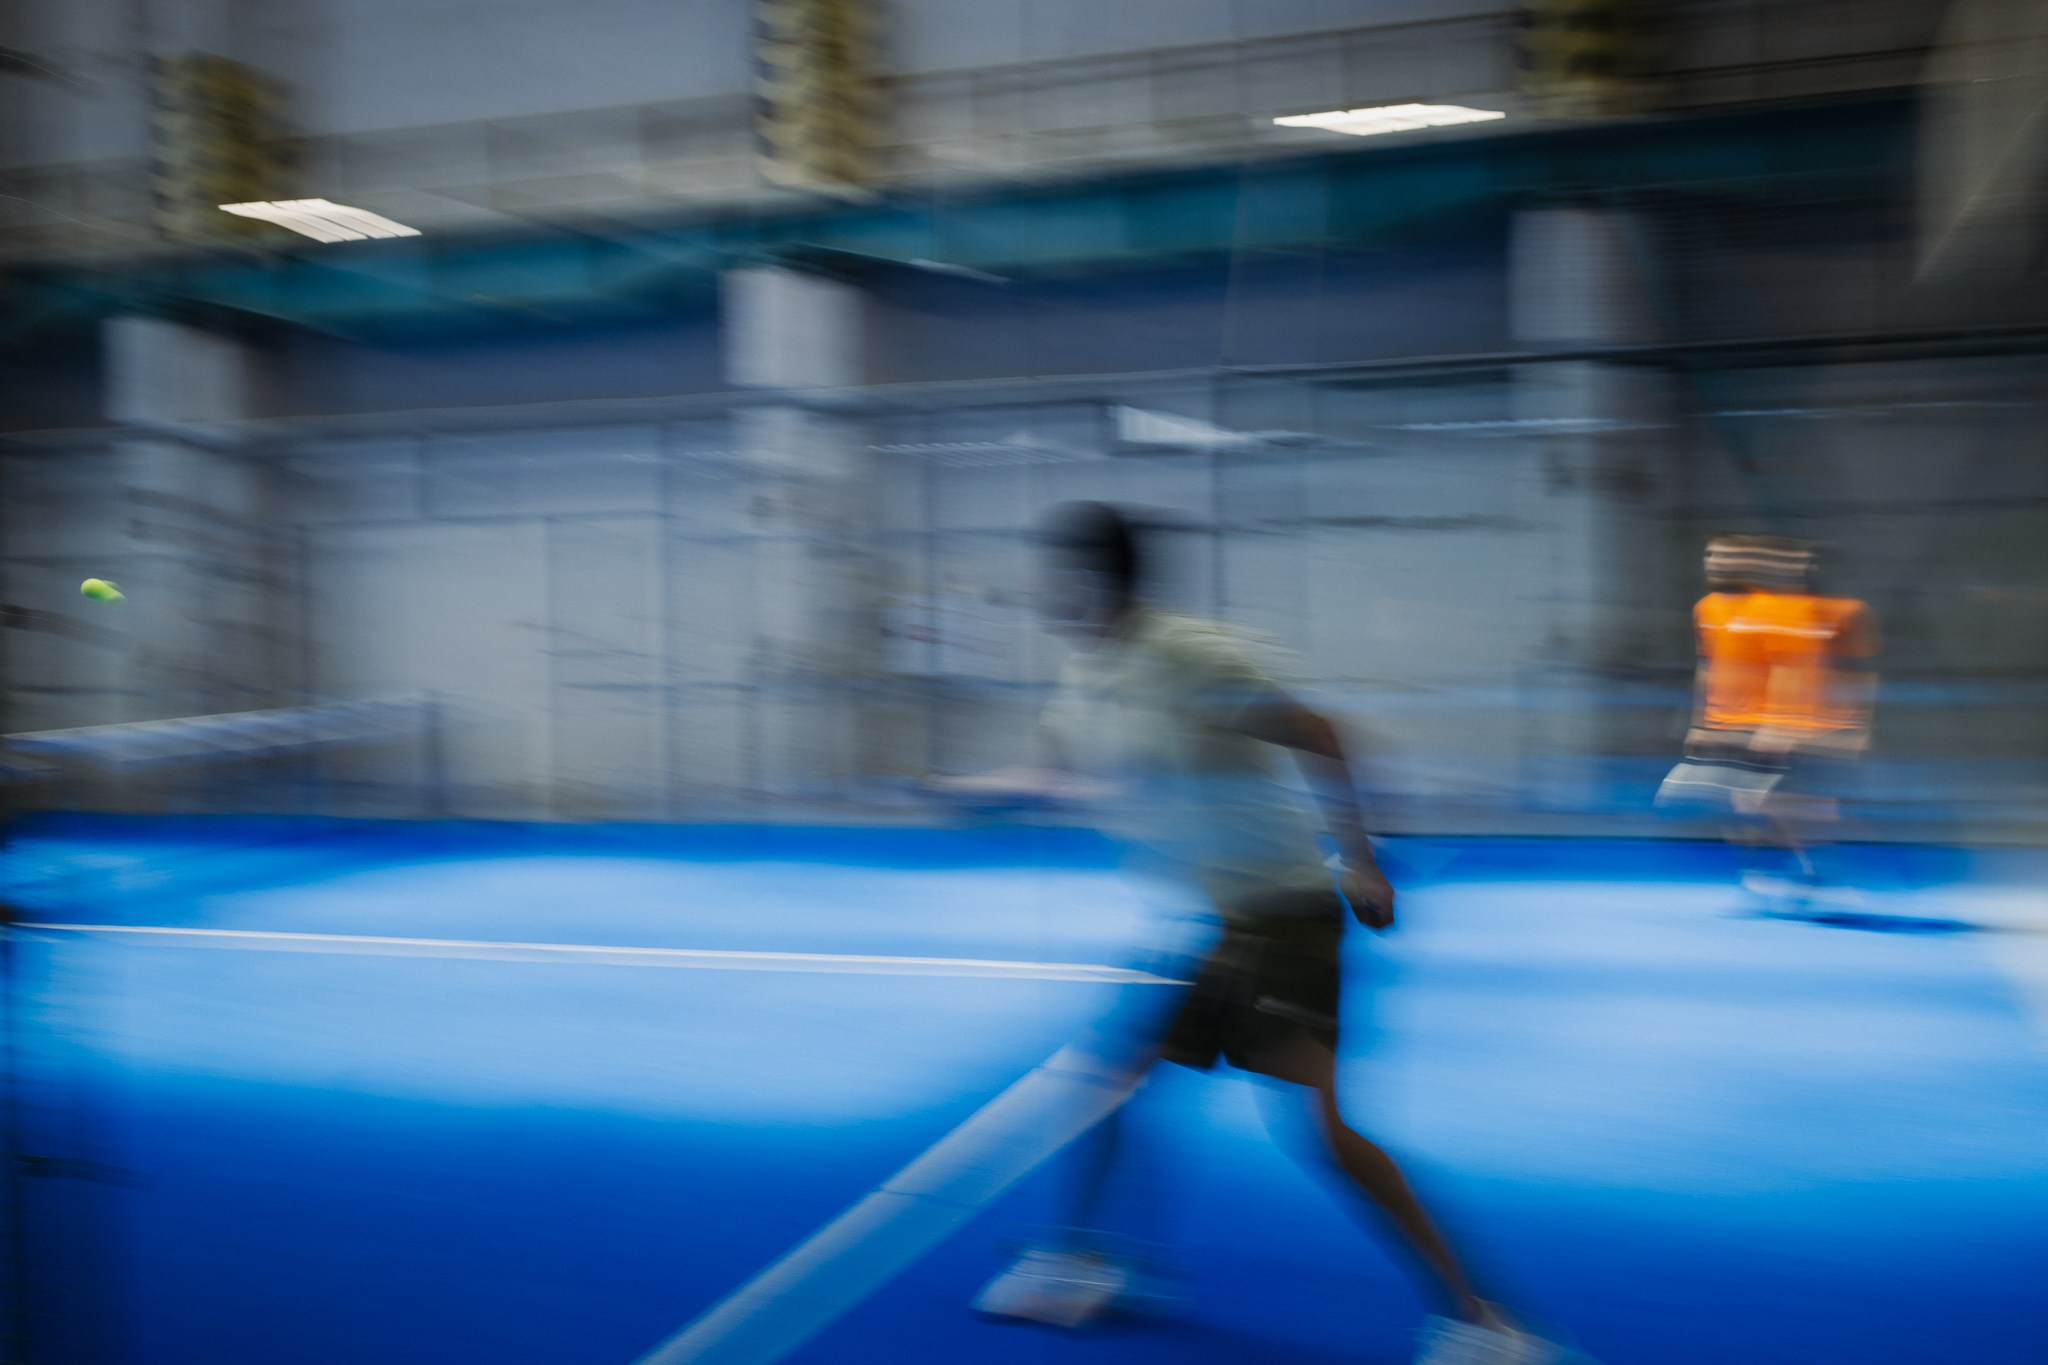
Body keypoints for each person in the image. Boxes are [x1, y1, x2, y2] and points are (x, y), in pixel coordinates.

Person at [930, 502, 1555, 1365]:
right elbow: (1063, 774)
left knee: (1324, 1130)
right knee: (1110, 1080)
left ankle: (1485, 1324)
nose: (1041, 590)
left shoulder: (1188, 656)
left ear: (1094, 579)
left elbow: (1322, 734)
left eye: (1056, 572)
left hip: (1283, 914)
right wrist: (971, 788)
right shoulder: (1092, 676)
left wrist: (1362, 860)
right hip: (1206, 925)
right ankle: (1077, 1261)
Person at [1659, 534, 1877, 905]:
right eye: (1710, 555)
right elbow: (1709, 664)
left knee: (1786, 802)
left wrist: (1787, 721)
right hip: (1733, 723)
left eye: (1725, 556)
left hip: (1789, 725)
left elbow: (1799, 669)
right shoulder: (1709, 609)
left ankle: (1816, 868)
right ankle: (1770, 872)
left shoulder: (1809, 610)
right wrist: (1701, 720)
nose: (1714, 563)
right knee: (1745, 803)